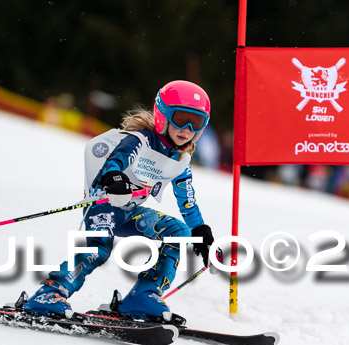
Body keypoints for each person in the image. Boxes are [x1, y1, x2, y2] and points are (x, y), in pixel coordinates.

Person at [23, 80, 215, 323]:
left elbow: (187, 200)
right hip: (104, 204)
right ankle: (49, 294)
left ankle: (143, 296)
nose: (186, 129)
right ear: (162, 115)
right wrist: (114, 177)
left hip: (130, 211)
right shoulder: (141, 139)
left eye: (196, 123)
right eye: (180, 119)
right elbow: (117, 159)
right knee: (99, 248)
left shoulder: (181, 160)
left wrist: (200, 230)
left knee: (179, 232)